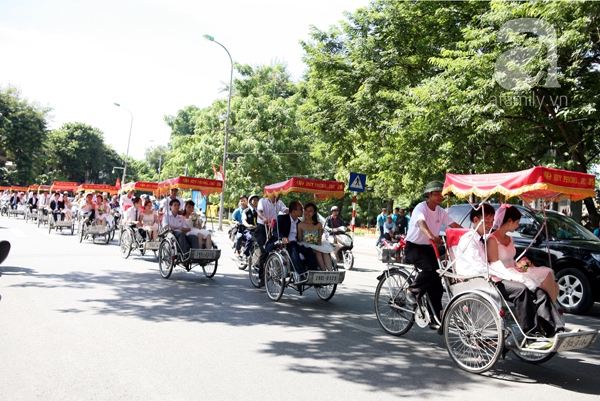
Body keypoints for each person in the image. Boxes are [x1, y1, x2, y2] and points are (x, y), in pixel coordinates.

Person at [455, 203, 564, 341]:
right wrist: (508, 276)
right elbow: (480, 267)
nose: (490, 224)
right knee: (522, 290)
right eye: (486, 221)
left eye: (491, 221)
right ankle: (530, 333)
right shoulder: (469, 240)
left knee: (538, 291)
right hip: (479, 280)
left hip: (493, 276)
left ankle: (554, 329)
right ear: (475, 221)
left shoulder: (482, 238)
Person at [405, 180, 462, 326]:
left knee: (437, 281)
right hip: (414, 247)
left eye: (441, 194)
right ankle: (412, 290)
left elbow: (454, 225)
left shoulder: (441, 211)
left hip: (429, 248)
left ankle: (435, 316)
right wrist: (431, 235)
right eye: (436, 193)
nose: (440, 196)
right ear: (429, 195)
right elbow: (421, 223)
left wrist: (470, 234)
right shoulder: (421, 208)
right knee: (429, 269)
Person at [487, 204, 560, 303]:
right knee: (544, 278)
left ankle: (549, 310)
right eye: (517, 222)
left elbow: (511, 259)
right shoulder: (492, 239)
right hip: (502, 273)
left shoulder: (510, 238)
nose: (518, 226)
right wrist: (511, 276)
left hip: (514, 269)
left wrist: (522, 265)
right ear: (509, 221)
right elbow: (494, 264)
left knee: (552, 281)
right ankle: (550, 311)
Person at [267, 201, 318, 282]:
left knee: (308, 250)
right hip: (284, 243)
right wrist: (283, 237)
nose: (303, 211)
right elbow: (275, 231)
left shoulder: (299, 222)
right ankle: (301, 273)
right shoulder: (282, 218)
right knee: (293, 250)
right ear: (294, 211)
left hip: (295, 243)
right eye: (301, 209)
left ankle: (313, 273)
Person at [256, 193, 288, 286]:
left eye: (278, 196)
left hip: (273, 228)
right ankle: (261, 276)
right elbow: (259, 212)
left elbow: (285, 210)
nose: (276, 198)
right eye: (274, 196)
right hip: (262, 228)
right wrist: (264, 218)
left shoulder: (279, 203)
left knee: (279, 249)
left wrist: (290, 213)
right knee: (265, 251)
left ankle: (277, 274)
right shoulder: (263, 201)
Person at [298, 202, 334, 271]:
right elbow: (300, 240)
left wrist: (318, 245)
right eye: (306, 210)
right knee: (318, 251)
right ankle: (323, 271)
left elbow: (319, 239)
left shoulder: (319, 224)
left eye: (310, 211)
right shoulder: (300, 225)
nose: (307, 213)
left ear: (314, 213)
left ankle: (330, 271)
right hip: (305, 244)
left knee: (324, 252)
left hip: (317, 243)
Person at [242, 194, 259, 258]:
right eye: (254, 200)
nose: (256, 202)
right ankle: (245, 254)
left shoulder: (258, 211)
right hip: (248, 230)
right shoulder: (246, 211)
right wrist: (249, 225)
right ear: (250, 201)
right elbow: (244, 221)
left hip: (257, 230)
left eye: (257, 200)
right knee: (250, 237)